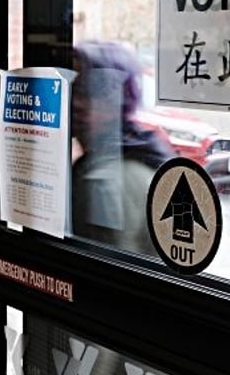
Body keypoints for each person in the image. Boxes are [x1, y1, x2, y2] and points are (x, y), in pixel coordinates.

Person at [70, 40, 175, 257]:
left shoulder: (103, 181)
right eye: (71, 88)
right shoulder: (141, 152)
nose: (74, 102)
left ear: (118, 100)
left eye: (85, 90)